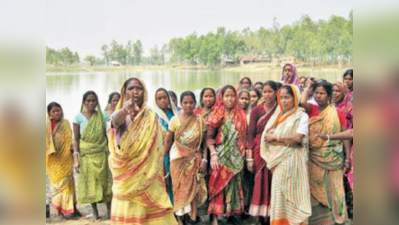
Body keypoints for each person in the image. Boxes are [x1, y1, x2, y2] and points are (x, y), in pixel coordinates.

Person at [109, 78, 177, 225]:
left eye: (139, 88)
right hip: (127, 177)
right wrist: (125, 110)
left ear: (144, 92)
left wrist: (160, 166)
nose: (135, 92)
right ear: (124, 92)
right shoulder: (120, 114)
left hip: (149, 176)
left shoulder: (150, 116)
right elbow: (114, 122)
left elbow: (160, 142)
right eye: (131, 88)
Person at [300, 82, 351, 225]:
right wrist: (308, 87)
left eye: (322, 93)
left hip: (333, 157)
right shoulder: (311, 110)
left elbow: (345, 136)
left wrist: (347, 159)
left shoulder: (337, 112)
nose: (318, 96)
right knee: (313, 188)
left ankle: (335, 219)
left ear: (328, 95)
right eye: (316, 93)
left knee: (335, 189)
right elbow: (302, 102)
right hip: (313, 157)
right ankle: (317, 220)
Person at [261, 84, 312, 225]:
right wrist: (286, 140)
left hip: (295, 164)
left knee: (295, 196)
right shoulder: (277, 117)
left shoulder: (302, 116)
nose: (283, 101)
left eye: (287, 97)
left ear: (295, 98)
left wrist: (277, 138)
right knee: (279, 197)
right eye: (281, 98)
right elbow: (267, 138)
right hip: (279, 165)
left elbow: (297, 139)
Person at [164, 91, 208, 225]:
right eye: (185, 103)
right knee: (178, 189)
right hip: (177, 159)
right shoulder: (174, 120)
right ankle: (179, 218)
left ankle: (192, 217)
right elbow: (168, 141)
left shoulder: (200, 120)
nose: (188, 105)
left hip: (194, 159)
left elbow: (204, 142)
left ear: (195, 104)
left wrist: (205, 159)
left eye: (191, 102)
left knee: (193, 189)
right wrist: (161, 159)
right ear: (180, 104)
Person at [206, 85, 248, 225]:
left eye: (232, 96)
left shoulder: (241, 114)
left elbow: (244, 137)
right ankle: (214, 217)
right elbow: (209, 137)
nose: (230, 99)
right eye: (226, 96)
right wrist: (213, 154)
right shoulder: (217, 113)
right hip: (220, 156)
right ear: (221, 97)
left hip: (236, 157)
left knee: (234, 185)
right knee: (217, 184)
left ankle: (231, 213)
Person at [73, 91, 112, 221]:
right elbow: (76, 139)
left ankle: (109, 210)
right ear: (84, 102)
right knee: (90, 183)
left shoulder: (103, 116)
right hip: (86, 154)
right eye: (88, 101)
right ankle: (95, 211)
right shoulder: (78, 117)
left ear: (97, 102)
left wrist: (111, 153)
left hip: (101, 153)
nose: (91, 103)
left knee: (105, 182)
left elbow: (108, 135)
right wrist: (76, 158)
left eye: (93, 101)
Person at [246, 81, 278, 225]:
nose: (266, 95)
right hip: (259, 150)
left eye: (270, 91)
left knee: (274, 182)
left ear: (276, 92)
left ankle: (274, 215)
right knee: (260, 181)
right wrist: (249, 157)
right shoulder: (256, 110)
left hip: (277, 149)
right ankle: (260, 216)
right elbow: (251, 135)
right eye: (264, 92)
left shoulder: (281, 109)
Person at [46, 102, 81, 220]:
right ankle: (59, 212)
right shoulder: (46, 126)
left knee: (70, 183)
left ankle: (73, 209)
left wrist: (73, 150)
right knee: (57, 185)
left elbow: (71, 139)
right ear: (49, 114)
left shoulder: (66, 123)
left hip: (66, 158)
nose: (57, 113)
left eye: (58, 110)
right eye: (54, 111)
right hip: (53, 160)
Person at [194, 87, 216, 220]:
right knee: (199, 184)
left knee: (213, 185)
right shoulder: (196, 113)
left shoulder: (218, 112)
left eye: (211, 96)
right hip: (199, 153)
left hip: (215, 152)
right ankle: (197, 213)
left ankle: (213, 216)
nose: (208, 99)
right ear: (201, 98)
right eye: (205, 96)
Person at [154, 88, 179, 204]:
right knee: (164, 180)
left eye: (165, 97)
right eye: (159, 98)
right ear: (155, 101)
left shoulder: (175, 114)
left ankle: (179, 210)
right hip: (160, 152)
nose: (163, 100)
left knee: (177, 180)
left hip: (176, 151)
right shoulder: (153, 116)